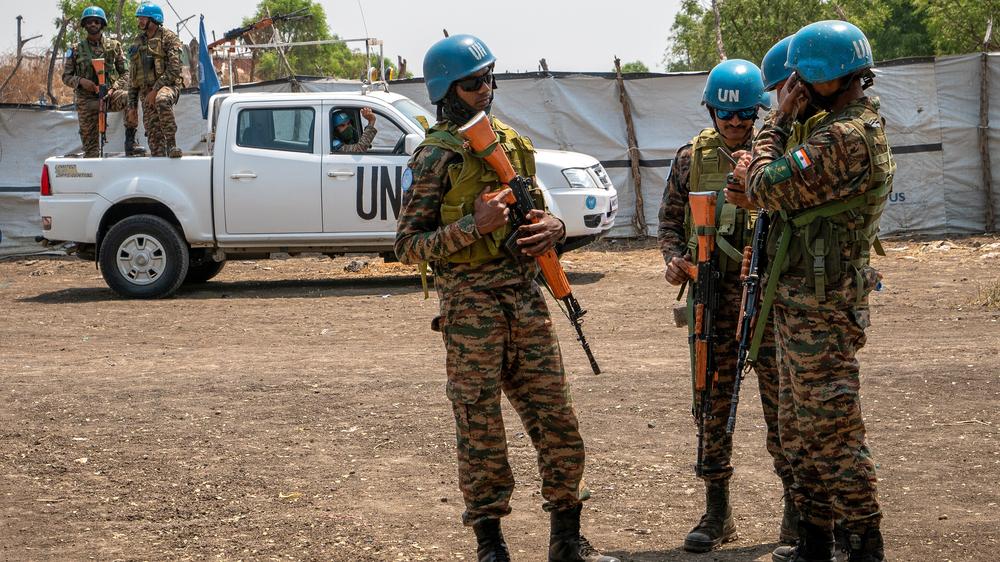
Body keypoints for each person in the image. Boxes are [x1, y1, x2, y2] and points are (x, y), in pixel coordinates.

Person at [394, 34, 617, 562]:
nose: (486, 90)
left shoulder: (512, 144)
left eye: (490, 80)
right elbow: (407, 246)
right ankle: (490, 545)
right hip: (470, 307)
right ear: (447, 91)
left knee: (557, 420)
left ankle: (567, 540)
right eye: (474, 83)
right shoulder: (435, 157)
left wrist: (555, 228)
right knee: (480, 427)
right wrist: (475, 225)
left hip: (524, 298)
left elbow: (538, 211)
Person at [744, 20, 893, 562]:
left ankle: (863, 542)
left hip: (822, 308)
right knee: (797, 428)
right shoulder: (838, 125)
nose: (794, 92)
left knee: (832, 430)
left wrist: (776, 123)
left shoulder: (844, 137)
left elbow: (764, 185)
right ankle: (813, 540)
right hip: (801, 302)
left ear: (830, 79)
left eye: (802, 81)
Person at [658, 58, 794, 553]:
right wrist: (674, 260)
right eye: (725, 115)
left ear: (757, 113)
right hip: (712, 300)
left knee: (784, 408)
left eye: (744, 117)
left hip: (766, 301)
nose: (735, 125)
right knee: (712, 408)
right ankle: (717, 513)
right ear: (712, 110)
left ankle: (795, 513)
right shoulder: (689, 158)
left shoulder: (775, 155)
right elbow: (670, 223)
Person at [62, 6, 144, 157]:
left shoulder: (114, 46)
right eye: (89, 22)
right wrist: (81, 81)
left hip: (109, 96)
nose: (93, 24)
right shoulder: (75, 49)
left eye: (96, 21)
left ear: (102, 24)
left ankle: (130, 142)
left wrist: (113, 89)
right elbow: (66, 77)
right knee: (91, 152)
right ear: (84, 25)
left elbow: (126, 73)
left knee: (129, 97)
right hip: (87, 101)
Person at [126, 2, 184, 158]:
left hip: (167, 86)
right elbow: (133, 77)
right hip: (146, 93)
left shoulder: (169, 38)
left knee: (162, 99)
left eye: (143, 18)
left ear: (154, 19)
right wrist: (132, 106)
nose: (140, 22)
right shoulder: (138, 41)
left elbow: (174, 69)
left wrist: (155, 89)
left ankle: (172, 145)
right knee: (154, 139)